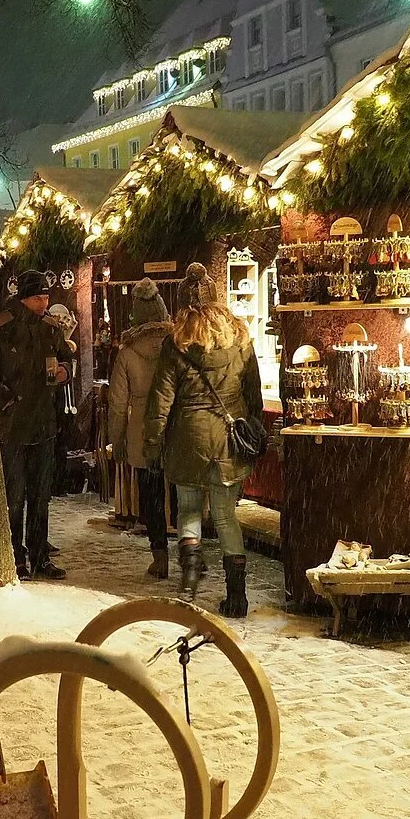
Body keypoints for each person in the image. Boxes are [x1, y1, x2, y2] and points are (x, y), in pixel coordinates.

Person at [143, 263, 262, 617]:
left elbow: (161, 400)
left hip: (188, 438)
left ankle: (190, 579)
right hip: (227, 439)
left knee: (189, 509)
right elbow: (253, 394)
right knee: (225, 516)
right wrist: (253, 427)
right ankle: (237, 596)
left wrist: (153, 444)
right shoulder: (240, 340)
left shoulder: (176, 343)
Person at [0, 270, 73, 579]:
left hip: (44, 423)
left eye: (47, 297)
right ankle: (16, 557)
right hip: (13, 427)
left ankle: (40, 556)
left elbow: (66, 359)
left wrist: (65, 371)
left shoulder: (50, 329)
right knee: (15, 498)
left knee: (40, 498)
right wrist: (8, 400)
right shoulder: (2, 327)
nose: (44, 303)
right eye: (39, 297)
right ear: (24, 298)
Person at [108, 278, 172, 579]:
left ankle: (160, 556)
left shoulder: (127, 353)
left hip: (143, 431)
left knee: (152, 494)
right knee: (184, 493)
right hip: (175, 425)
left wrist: (117, 439)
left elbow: (117, 404)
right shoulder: (177, 346)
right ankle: (192, 554)